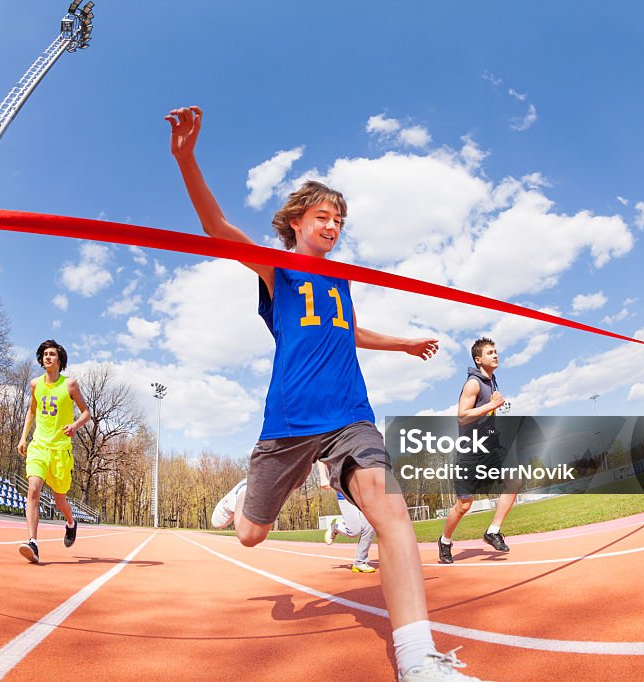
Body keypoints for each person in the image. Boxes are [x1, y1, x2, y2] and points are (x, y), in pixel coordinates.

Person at [167, 105, 484, 681]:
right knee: (250, 536)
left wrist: (405, 345)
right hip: (289, 420)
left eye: (339, 218)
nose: (333, 225)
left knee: (392, 512)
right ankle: (245, 494)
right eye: (322, 215)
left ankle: (419, 660)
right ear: (294, 222)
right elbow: (220, 232)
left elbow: (351, 332)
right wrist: (187, 160)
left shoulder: (339, 278)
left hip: (350, 417)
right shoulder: (277, 269)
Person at [437, 337, 520, 564]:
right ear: (478, 359)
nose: (496, 355)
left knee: (515, 480)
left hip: (492, 446)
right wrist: (491, 406)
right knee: (464, 505)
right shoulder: (473, 383)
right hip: (470, 451)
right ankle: (444, 541)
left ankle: (493, 531)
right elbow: (462, 416)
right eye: (490, 352)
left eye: (496, 351)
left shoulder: (492, 380)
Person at [16, 340, 91, 563]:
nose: (47, 357)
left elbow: (87, 413)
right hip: (39, 446)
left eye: (52, 354)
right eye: (44, 354)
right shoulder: (35, 385)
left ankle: (71, 523)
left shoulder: (70, 385)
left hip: (60, 451)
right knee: (33, 490)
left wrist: (75, 426)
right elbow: (32, 411)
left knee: (60, 502)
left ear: (59, 360)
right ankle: (33, 543)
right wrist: (23, 437)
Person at [318, 461, 376, 573]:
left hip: (363, 490)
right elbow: (321, 457)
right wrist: (323, 478)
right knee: (354, 531)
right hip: (345, 491)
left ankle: (360, 562)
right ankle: (336, 526)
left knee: (369, 526)